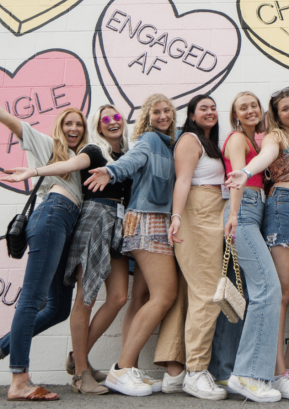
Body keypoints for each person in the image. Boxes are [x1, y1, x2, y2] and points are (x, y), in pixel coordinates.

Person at [0, 70, 85, 402]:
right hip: (52, 215)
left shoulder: (83, 159)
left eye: (79, 124)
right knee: (32, 300)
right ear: (58, 128)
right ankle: (19, 378)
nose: (74, 128)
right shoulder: (47, 144)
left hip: (65, 227)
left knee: (58, 308)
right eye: (68, 123)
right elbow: (7, 118)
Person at [1, 105, 135, 395]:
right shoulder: (93, 150)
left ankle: (78, 356)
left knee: (119, 296)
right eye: (105, 119)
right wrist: (34, 171)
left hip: (119, 226)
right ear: (98, 127)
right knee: (85, 298)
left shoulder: (128, 156)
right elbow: (68, 166)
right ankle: (82, 374)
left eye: (116, 117)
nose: (112, 122)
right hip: (94, 219)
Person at [225, 87, 289, 401]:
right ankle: (277, 372)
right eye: (285, 108)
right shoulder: (275, 136)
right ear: (276, 116)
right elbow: (267, 156)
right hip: (286, 205)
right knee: (280, 293)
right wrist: (245, 170)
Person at [83, 94, 179, 397]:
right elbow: (131, 161)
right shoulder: (150, 140)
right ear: (148, 118)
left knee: (140, 296)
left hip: (157, 222)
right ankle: (122, 369)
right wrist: (110, 171)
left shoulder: (172, 144)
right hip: (147, 221)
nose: (163, 116)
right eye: (156, 112)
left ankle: (130, 367)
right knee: (165, 295)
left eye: (167, 111)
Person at [153, 95, 229, 400]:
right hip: (197, 213)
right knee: (208, 292)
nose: (210, 111)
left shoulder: (210, 143)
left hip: (210, 212)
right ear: (192, 115)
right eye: (203, 109)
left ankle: (176, 372)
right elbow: (183, 181)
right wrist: (176, 217)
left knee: (193, 291)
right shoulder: (189, 139)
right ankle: (197, 372)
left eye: (213, 106)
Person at [208, 91, 283, 402]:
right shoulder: (238, 138)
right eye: (243, 107)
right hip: (244, 212)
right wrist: (235, 217)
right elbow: (237, 178)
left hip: (255, 211)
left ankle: (244, 372)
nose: (250, 110)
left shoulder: (260, 140)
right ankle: (247, 374)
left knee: (259, 291)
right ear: (235, 115)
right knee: (268, 289)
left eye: (254, 105)